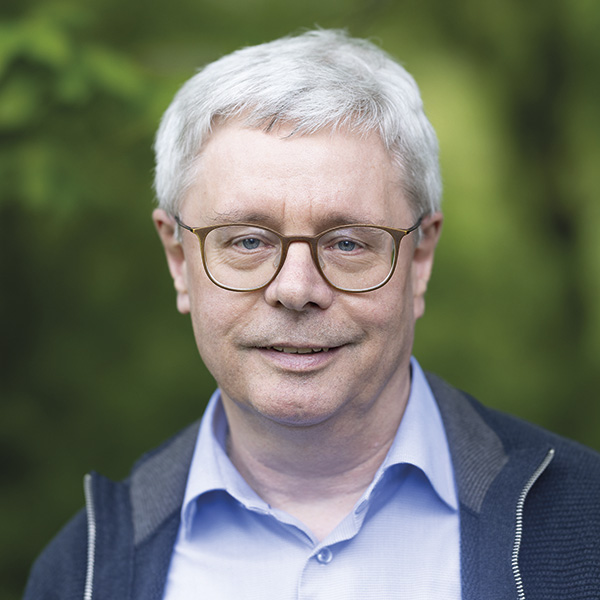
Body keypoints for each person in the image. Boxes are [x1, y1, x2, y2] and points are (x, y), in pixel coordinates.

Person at [24, 29, 600, 600]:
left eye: (348, 242)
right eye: (247, 241)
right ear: (179, 259)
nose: (296, 289)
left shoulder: (586, 528)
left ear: (420, 258)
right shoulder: (82, 572)